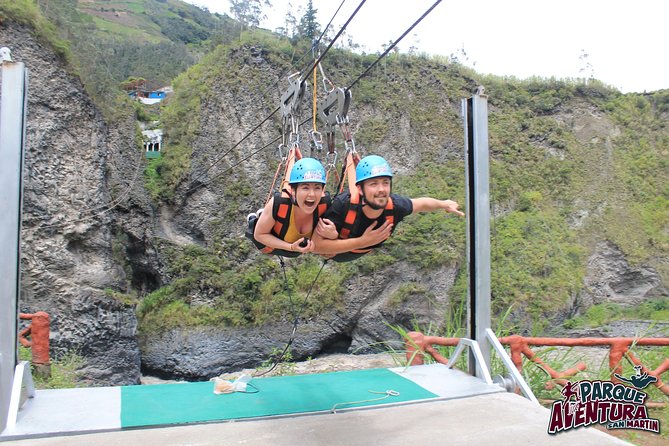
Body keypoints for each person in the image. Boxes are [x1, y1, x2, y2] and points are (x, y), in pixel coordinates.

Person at [311, 155, 465, 262]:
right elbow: (317, 246)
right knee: (329, 238)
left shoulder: (395, 206)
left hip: (355, 250)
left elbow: (421, 204)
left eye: (385, 183)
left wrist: (443, 204)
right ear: (359, 189)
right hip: (338, 252)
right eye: (373, 184)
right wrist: (364, 241)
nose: (381, 189)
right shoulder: (343, 205)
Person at [247, 157, 337, 257]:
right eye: (305, 188)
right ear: (293, 191)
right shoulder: (279, 203)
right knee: (256, 234)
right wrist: (290, 247)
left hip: (295, 250)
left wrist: (333, 236)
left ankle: (265, 217)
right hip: (272, 245)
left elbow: (330, 254)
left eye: (317, 188)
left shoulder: (324, 206)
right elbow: (259, 235)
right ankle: (257, 219)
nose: (312, 194)